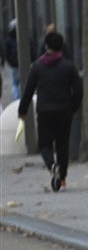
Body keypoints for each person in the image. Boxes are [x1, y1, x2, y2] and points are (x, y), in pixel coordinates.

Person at [17, 32, 83, 191]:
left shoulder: (37, 67)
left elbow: (28, 90)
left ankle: (52, 166)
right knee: (62, 145)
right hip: (64, 111)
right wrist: (73, 106)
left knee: (45, 145)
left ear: (46, 46)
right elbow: (79, 90)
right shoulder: (69, 67)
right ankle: (62, 180)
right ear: (61, 47)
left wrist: (22, 111)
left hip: (45, 111)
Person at [5, 19, 20, 101]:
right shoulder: (22, 36)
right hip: (16, 64)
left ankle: (17, 98)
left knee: (15, 83)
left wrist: (10, 63)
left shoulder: (8, 40)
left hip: (14, 64)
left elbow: (6, 53)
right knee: (17, 83)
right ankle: (18, 97)